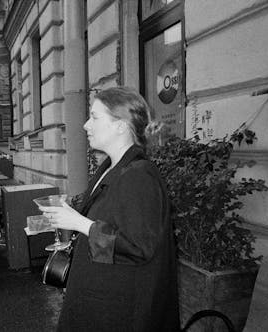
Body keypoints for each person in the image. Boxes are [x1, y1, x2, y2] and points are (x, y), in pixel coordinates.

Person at [39, 86, 180, 331]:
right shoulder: (112, 168)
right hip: (101, 300)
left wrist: (80, 223)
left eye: (94, 117)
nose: (85, 125)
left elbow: (138, 247)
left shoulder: (139, 176)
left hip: (119, 312)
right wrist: (69, 215)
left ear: (121, 125)